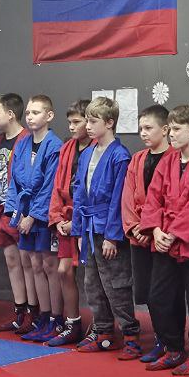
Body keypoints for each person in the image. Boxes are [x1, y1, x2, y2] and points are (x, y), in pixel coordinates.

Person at [140, 104, 189, 376]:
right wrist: (156, 230)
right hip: (164, 242)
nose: (171, 134)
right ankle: (173, 348)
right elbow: (153, 198)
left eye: (176, 129)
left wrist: (173, 233)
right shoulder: (168, 162)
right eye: (170, 129)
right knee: (158, 297)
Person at [71, 95, 138, 355]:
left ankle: (130, 334)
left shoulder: (120, 156)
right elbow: (79, 193)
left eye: (93, 121)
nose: (87, 126)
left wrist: (112, 236)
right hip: (89, 227)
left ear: (109, 123)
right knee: (92, 283)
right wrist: (78, 230)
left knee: (116, 283)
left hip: (107, 228)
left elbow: (119, 199)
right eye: (86, 121)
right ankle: (104, 332)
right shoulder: (87, 153)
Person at [5, 95, 63, 344]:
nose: (30, 117)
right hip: (24, 211)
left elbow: (50, 185)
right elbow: (14, 182)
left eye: (36, 112)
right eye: (28, 112)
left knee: (49, 266)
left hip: (43, 214)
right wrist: (16, 213)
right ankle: (43, 317)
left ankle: (57, 319)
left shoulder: (55, 145)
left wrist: (33, 216)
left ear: (49, 116)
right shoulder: (22, 144)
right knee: (34, 265)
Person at [120, 104, 170, 361]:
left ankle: (171, 339)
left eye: (149, 128)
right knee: (148, 291)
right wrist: (134, 227)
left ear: (166, 129)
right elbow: (128, 197)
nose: (143, 133)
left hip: (163, 237)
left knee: (165, 292)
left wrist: (152, 228)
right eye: (141, 128)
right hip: (139, 236)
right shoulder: (138, 159)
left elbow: (170, 201)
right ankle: (160, 338)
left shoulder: (174, 158)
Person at [0, 93, 35, 334]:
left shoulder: (26, 140)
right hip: (0, 211)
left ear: (11, 114)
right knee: (12, 262)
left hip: (20, 212)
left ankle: (34, 312)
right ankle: (19, 311)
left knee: (27, 263)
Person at [47, 99, 92, 347]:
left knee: (95, 277)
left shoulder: (97, 148)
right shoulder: (67, 148)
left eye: (77, 122)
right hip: (65, 219)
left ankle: (103, 325)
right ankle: (72, 323)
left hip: (86, 219)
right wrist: (57, 218)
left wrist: (76, 222)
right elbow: (57, 186)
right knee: (63, 270)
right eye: (70, 122)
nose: (72, 127)